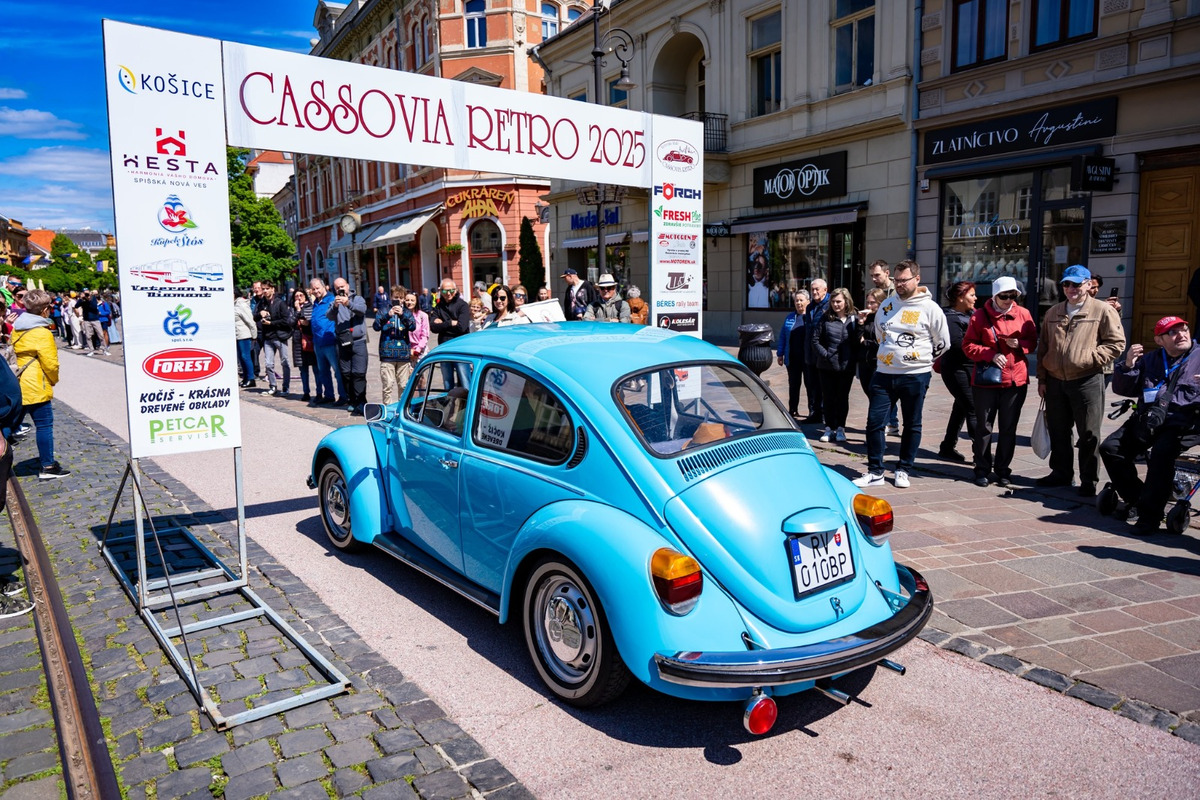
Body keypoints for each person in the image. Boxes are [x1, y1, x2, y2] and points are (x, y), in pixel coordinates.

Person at [854, 260, 949, 489]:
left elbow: (943, 342)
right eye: (896, 280)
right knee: (874, 422)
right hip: (884, 373)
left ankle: (904, 468)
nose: (899, 285)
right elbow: (879, 335)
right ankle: (875, 471)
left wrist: (920, 361)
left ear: (917, 279)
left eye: (903, 280)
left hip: (915, 375)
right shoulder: (887, 305)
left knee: (912, 423)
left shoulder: (930, 309)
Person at [1100, 316, 1200, 533]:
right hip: (1150, 418)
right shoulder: (1152, 359)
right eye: (1172, 333)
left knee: (1160, 455)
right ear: (1159, 340)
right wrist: (1127, 365)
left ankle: (1150, 518)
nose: (1181, 335)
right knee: (1111, 448)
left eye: (1184, 329)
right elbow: (1125, 389)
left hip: (1184, 422)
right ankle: (1138, 499)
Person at [1035, 265, 1126, 496]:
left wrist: (1090, 359)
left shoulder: (1103, 310)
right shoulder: (1053, 312)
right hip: (1055, 380)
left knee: (1088, 433)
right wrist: (1042, 379)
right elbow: (1043, 347)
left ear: (1088, 284)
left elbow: (1116, 344)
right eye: (1066, 284)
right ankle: (1061, 473)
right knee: (1058, 430)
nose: (1071, 288)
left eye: (1076, 284)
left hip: (1087, 379)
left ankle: (1088, 480)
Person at [963, 276, 1037, 487]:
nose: (1008, 300)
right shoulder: (979, 316)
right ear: (995, 296)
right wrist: (990, 354)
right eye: (1004, 296)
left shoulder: (1024, 314)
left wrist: (1019, 344)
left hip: (1015, 381)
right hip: (987, 382)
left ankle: (1003, 469)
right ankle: (982, 469)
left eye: (1013, 296)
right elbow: (968, 346)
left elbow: (1032, 342)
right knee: (984, 428)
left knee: (1008, 428)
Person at [12, 290, 69, 480]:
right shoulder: (42, 333)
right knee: (44, 425)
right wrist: (53, 380)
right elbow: (51, 364)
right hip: (36, 384)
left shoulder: (17, 328)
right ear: (45, 310)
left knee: (9, 425)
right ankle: (48, 466)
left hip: (17, 383)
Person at [937, 281, 979, 462]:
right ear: (960, 297)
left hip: (970, 367)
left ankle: (947, 447)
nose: (975, 298)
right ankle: (981, 453)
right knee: (973, 407)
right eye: (971, 295)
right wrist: (983, 351)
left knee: (961, 407)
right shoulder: (950, 317)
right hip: (956, 369)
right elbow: (958, 347)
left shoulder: (971, 314)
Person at [813, 288, 859, 443]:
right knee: (828, 398)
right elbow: (815, 340)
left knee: (842, 398)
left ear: (846, 301)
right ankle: (829, 428)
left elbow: (857, 341)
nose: (835, 304)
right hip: (826, 366)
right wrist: (825, 355)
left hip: (846, 367)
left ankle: (840, 428)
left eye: (838, 301)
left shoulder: (854, 318)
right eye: (833, 301)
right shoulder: (825, 318)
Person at [856, 288, 900, 435]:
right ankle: (887, 423)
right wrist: (860, 323)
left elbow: (881, 341)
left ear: (880, 303)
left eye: (872, 303)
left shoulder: (885, 319)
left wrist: (866, 342)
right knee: (869, 393)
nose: (869, 306)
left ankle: (883, 426)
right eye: (867, 302)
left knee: (878, 396)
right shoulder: (865, 318)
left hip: (879, 362)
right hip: (864, 362)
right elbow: (857, 339)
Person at [328, 277, 369, 415]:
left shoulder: (357, 298)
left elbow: (362, 310)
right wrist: (335, 306)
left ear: (347, 286)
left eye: (342, 286)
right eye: (337, 287)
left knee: (359, 373)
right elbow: (329, 316)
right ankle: (352, 400)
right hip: (343, 341)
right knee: (346, 373)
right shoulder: (334, 302)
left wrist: (348, 303)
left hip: (358, 341)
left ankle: (361, 401)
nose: (340, 289)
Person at [375, 285, 417, 404]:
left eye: (400, 298)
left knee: (403, 386)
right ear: (391, 297)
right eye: (395, 297)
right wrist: (388, 315)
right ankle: (387, 411)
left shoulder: (407, 312)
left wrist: (402, 315)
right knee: (387, 386)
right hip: (387, 354)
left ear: (403, 299)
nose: (398, 300)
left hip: (403, 355)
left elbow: (413, 327)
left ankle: (401, 410)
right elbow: (376, 326)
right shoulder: (383, 310)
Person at [800, 279, 829, 424]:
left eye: (817, 289)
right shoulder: (810, 307)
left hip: (823, 352)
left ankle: (825, 414)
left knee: (824, 386)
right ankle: (814, 412)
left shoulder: (830, 305)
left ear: (825, 289)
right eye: (812, 290)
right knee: (812, 385)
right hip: (810, 353)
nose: (815, 292)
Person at [257, 281, 292, 397]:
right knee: (268, 364)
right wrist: (260, 314)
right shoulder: (262, 302)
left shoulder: (280, 303)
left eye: (267, 288)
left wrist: (271, 323)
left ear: (272, 289)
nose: (265, 291)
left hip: (280, 336)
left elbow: (286, 320)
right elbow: (255, 316)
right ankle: (272, 386)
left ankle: (286, 387)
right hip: (268, 337)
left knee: (284, 362)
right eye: (263, 289)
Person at [776, 290, 808, 417]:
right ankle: (793, 409)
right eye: (796, 300)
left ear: (807, 301)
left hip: (807, 359)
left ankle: (813, 411)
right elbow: (783, 336)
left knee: (811, 386)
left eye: (801, 300)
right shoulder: (790, 317)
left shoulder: (811, 317)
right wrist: (780, 354)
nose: (799, 303)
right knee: (794, 385)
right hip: (792, 358)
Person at [309, 279, 340, 405]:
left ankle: (343, 396)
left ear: (324, 287)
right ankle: (329, 395)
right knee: (323, 371)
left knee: (337, 371)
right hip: (318, 342)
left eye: (318, 288)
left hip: (330, 340)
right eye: (313, 289)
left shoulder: (331, 300)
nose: (316, 291)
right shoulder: (315, 302)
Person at [291, 289, 316, 402]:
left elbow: (312, 322)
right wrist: (297, 310)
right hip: (298, 342)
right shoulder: (292, 309)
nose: (299, 297)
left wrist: (307, 323)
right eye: (296, 296)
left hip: (310, 340)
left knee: (316, 368)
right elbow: (290, 323)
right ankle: (306, 392)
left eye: (301, 295)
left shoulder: (311, 307)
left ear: (306, 296)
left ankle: (320, 392)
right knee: (303, 369)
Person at [430, 279, 471, 345]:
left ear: (456, 290)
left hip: (461, 343)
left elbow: (462, 327)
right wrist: (450, 323)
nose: (448, 293)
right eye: (445, 291)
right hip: (444, 345)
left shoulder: (463, 305)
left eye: (451, 290)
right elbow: (433, 328)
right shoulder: (438, 306)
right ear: (440, 291)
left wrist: (442, 324)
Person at [234, 289, 257, 388]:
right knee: (241, 357)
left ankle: (251, 378)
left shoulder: (241, 304)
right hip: (238, 335)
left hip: (245, 335)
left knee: (245, 356)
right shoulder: (234, 304)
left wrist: (254, 335)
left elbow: (250, 321)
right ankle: (245, 377)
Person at [404, 291, 430, 364]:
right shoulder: (401, 315)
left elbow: (425, 336)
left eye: (412, 300)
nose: (409, 302)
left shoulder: (423, 316)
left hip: (420, 350)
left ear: (416, 302)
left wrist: (417, 351)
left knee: (419, 374)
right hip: (406, 350)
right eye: (407, 300)